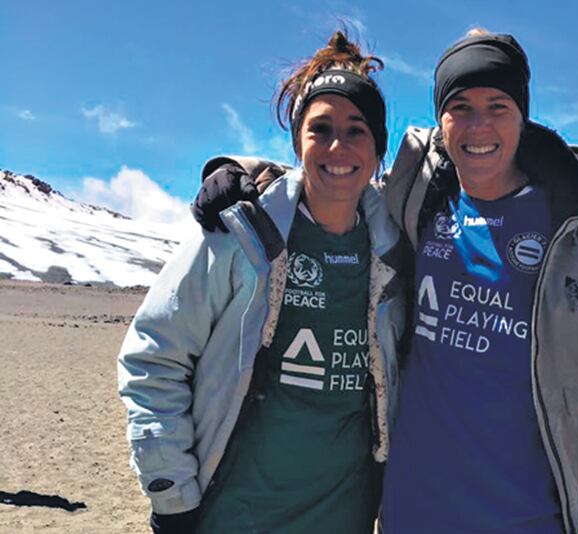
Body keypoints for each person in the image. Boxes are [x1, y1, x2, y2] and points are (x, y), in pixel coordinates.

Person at [192, 29, 578, 534]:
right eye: (460, 106)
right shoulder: (420, 195)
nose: (478, 126)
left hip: (532, 515)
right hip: (413, 509)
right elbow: (337, 180)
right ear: (440, 118)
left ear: (522, 113)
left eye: (497, 105)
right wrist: (246, 174)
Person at [117, 31, 407, 533]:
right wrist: (171, 494)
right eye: (321, 129)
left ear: (378, 149)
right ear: (298, 142)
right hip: (230, 515)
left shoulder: (395, 252)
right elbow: (154, 357)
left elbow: (467, 143)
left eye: (357, 130)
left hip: (344, 516)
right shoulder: (240, 235)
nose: (339, 145)